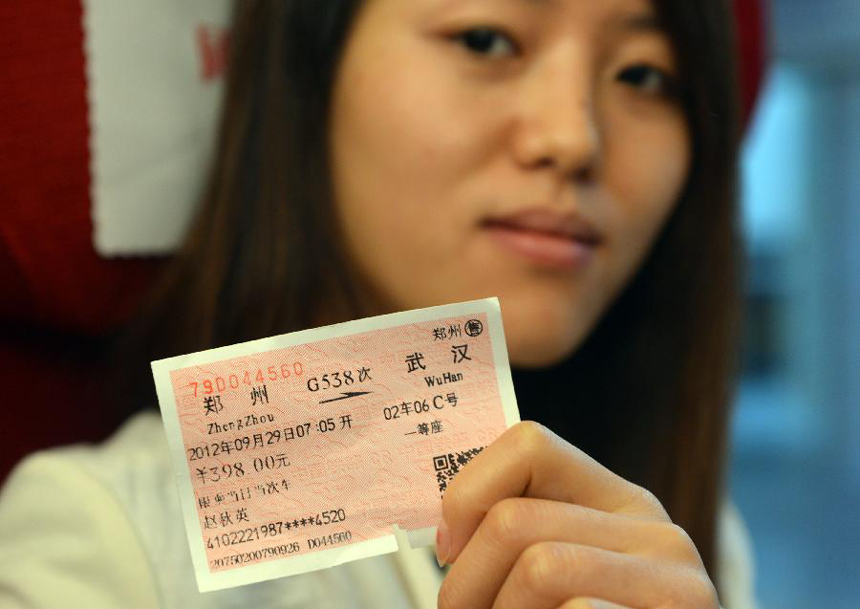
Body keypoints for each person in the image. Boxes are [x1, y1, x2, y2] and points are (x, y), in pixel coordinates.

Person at [0, 0, 758, 607]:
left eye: (645, 75)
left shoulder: (686, 540)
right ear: (312, 74)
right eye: (488, 39)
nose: (572, 136)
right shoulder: (106, 540)